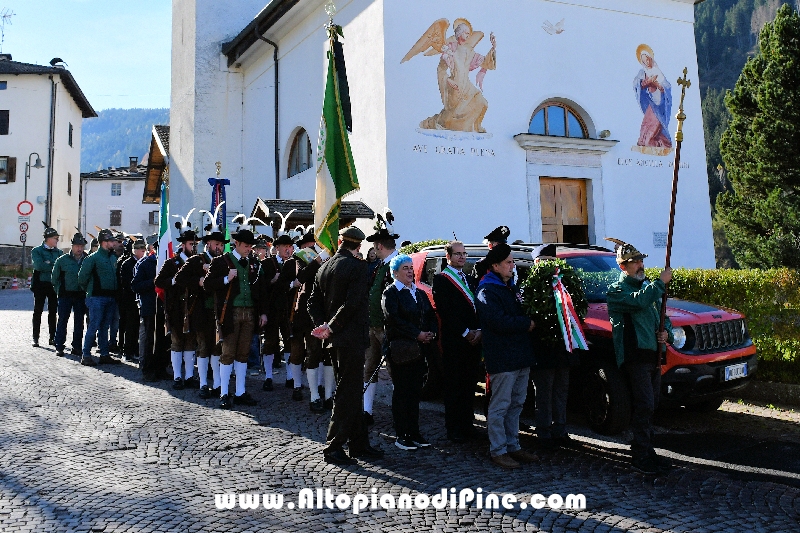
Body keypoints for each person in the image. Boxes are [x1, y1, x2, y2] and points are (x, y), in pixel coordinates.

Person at [307, 226, 384, 465]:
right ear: (358, 246)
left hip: (335, 339)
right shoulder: (357, 267)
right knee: (347, 393)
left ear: (340, 241)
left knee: (351, 391)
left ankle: (359, 443)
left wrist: (324, 326)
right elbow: (352, 304)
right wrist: (330, 327)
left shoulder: (324, 267)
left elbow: (312, 302)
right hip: (348, 337)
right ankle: (334, 446)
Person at [605, 237, 674, 475]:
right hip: (635, 356)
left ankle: (646, 449)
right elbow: (641, 301)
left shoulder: (648, 288)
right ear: (622, 267)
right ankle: (640, 454)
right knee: (644, 404)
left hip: (653, 355)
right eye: (634, 262)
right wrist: (659, 283)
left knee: (652, 404)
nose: (640, 265)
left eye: (641, 260)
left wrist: (667, 334)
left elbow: (663, 316)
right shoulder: (617, 291)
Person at [475, 243, 538, 469]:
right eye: (509, 263)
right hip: (502, 357)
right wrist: (526, 323)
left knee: (517, 403)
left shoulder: (510, 286)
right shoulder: (486, 291)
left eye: (512, 262)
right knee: (500, 405)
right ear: (495, 266)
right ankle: (498, 449)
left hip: (520, 355)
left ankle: (514, 445)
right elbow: (498, 321)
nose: (513, 266)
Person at [203, 227, 269, 409]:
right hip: (229, 314)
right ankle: (224, 392)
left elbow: (262, 290)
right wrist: (225, 279)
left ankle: (240, 391)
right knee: (228, 353)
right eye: (246, 246)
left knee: (243, 353)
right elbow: (207, 285)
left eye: (251, 246)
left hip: (250, 313)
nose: (249, 249)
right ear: (237, 244)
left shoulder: (255, 263)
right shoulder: (220, 262)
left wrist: (263, 312)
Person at [382, 254, 438, 451]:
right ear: (395, 272)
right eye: (405, 268)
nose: (409, 271)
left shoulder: (419, 293)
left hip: (419, 350)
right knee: (402, 393)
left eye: (410, 268)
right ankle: (401, 434)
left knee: (415, 393)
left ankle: (414, 432)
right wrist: (417, 334)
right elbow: (394, 321)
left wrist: (431, 332)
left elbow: (430, 315)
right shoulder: (391, 293)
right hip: (401, 350)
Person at [432, 240, 482, 442]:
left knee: (469, 385)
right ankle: (454, 429)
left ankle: (468, 424)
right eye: (458, 254)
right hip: (455, 341)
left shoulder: (470, 280)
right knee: (454, 386)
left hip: (473, 341)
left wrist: (478, 330)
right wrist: (465, 332)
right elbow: (446, 311)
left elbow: (476, 307)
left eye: (464, 254)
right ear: (449, 257)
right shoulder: (441, 280)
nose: (462, 257)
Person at [174, 224, 228, 399]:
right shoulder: (196, 260)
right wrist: (198, 280)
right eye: (216, 244)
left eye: (221, 244)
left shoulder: (225, 262)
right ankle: (204, 383)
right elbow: (180, 279)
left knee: (217, 349)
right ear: (208, 244)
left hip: (219, 311)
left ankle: (218, 384)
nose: (219, 247)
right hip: (200, 311)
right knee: (203, 348)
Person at [529, 244, 574, 450]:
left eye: (551, 261)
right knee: (544, 391)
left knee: (561, 390)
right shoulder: (530, 286)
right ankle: (544, 432)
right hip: (542, 347)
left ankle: (560, 429)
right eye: (543, 262)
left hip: (562, 347)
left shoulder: (565, 283)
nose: (548, 265)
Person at [289, 231, 332, 412]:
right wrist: (317, 261)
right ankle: (314, 395)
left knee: (329, 354)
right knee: (313, 351)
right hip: (309, 311)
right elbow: (301, 278)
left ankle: (329, 395)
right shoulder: (301, 257)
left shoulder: (334, 253)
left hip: (330, 308)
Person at [364, 216, 400, 426]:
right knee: (370, 367)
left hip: (388, 328)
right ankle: (366, 410)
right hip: (373, 324)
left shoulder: (397, 265)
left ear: (379, 246)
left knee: (395, 370)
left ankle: (399, 412)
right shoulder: (379, 265)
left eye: (375, 247)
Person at [155, 221, 199, 390]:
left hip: (192, 308)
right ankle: (177, 377)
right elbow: (158, 282)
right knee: (176, 342)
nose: (193, 247)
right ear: (183, 245)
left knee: (190, 342)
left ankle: (189, 376)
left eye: (195, 244)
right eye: (191, 244)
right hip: (175, 309)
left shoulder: (197, 262)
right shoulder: (171, 263)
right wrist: (173, 281)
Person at [77, 229, 121, 366]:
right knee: (94, 325)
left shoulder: (113, 257)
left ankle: (104, 354)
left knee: (104, 327)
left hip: (110, 297)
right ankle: (86, 355)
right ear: (103, 242)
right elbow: (82, 278)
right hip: (96, 297)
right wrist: (90, 291)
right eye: (111, 241)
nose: (114, 243)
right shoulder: (93, 258)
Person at [261, 233, 295, 391]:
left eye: (290, 247)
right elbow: (261, 286)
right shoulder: (268, 263)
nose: (288, 250)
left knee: (289, 342)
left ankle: (290, 376)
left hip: (288, 309)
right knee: (270, 342)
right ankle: (268, 376)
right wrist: (273, 281)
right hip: (272, 309)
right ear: (277, 248)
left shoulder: (294, 263)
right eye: (285, 247)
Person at [51, 232, 88, 357]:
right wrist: (59, 292)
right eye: (77, 246)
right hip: (65, 295)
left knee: (79, 322)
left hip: (81, 295)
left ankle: (77, 347)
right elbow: (54, 279)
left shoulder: (87, 259)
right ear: (72, 246)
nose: (79, 248)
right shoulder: (62, 260)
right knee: (62, 320)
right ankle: (59, 346)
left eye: (82, 246)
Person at [31, 225, 63, 347]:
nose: (57, 240)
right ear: (48, 238)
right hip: (40, 284)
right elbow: (39, 266)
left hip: (53, 284)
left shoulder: (59, 252)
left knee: (53, 312)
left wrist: (49, 264)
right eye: (55, 238)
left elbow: (59, 268)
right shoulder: (37, 250)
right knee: (37, 311)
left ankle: (52, 337)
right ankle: (35, 337)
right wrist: (53, 266)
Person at [132, 240, 158, 381]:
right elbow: (135, 285)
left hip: (161, 307)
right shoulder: (144, 264)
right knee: (148, 340)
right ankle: (147, 369)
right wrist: (152, 282)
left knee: (161, 340)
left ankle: (159, 368)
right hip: (148, 306)